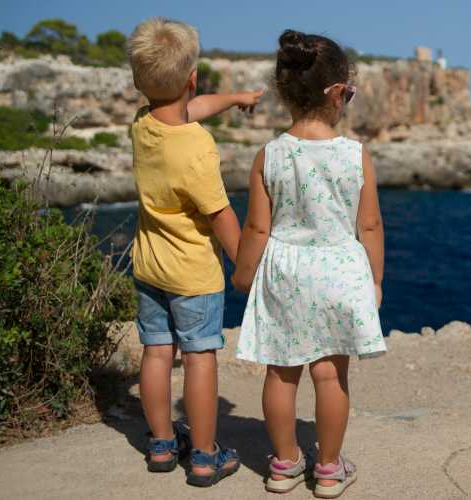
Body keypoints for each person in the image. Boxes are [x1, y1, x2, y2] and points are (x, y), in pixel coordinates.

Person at [231, 29, 387, 498]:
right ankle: (329, 469)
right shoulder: (355, 154)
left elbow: (257, 228)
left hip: (285, 270)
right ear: (339, 93)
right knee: (330, 374)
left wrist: (242, 274)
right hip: (339, 270)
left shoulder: (269, 155)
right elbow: (372, 226)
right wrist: (375, 282)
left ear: (284, 92)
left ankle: (284, 464)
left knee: (281, 372)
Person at [126, 17, 262, 487]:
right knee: (200, 357)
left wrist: (235, 99)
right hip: (194, 277)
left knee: (157, 351)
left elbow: (188, 108)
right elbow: (221, 215)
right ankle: (205, 456)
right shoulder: (196, 147)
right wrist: (248, 269)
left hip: (149, 269)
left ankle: (162, 444)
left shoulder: (142, 125)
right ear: (192, 77)